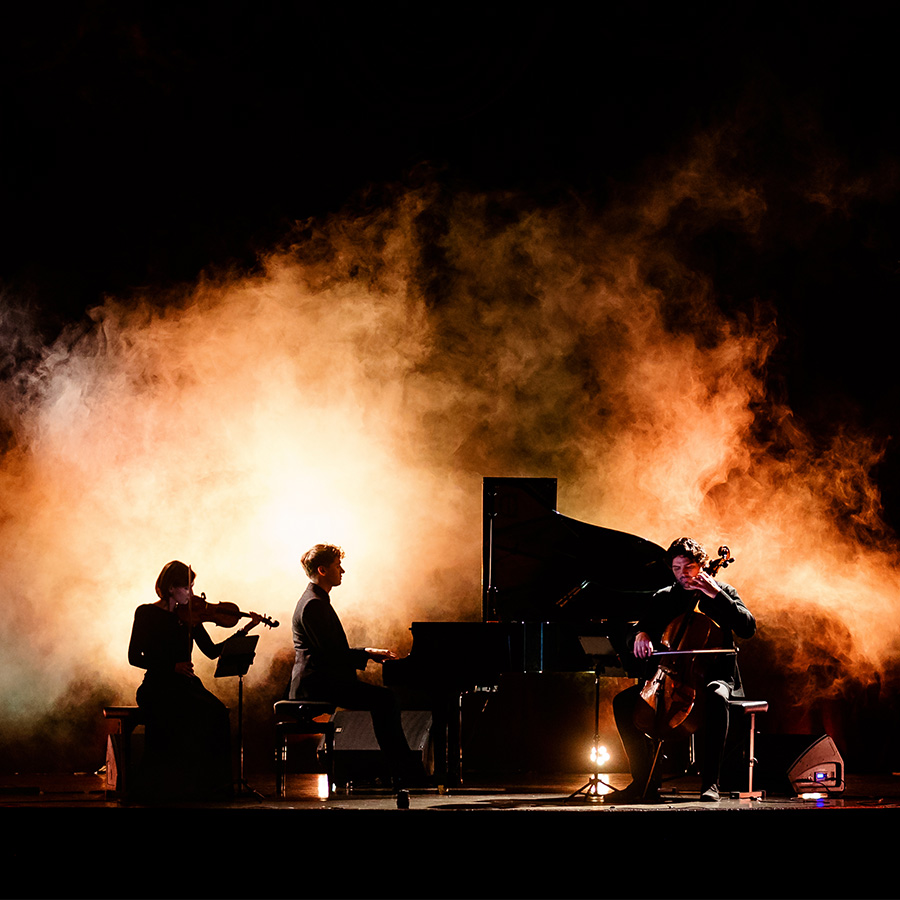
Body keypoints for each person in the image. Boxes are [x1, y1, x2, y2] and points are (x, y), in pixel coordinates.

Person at [610, 537, 756, 803]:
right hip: (669, 677)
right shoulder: (665, 597)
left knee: (715, 696)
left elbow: (748, 627)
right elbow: (639, 629)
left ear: (701, 564)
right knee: (623, 703)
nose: (683, 575)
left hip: (714, 675)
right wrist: (640, 634)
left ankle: (711, 782)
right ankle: (643, 780)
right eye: (676, 569)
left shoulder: (722, 592)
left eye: (688, 567)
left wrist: (717, 595)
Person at [290, 543, 414, 790]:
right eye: (338, 566)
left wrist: (367, 653)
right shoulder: (313, 604)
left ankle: (401, 770)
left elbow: (332, 651)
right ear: (323, 570)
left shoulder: (316, 600)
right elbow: (330, 654)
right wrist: (367, 653)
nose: (343, 570)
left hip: (325, 680)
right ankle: (403, 772)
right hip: (318, 685)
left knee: (384, 700)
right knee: (386, 700)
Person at [128, 560, 252, 801]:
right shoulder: (146, 613)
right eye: (187, 588)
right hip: (157, 685)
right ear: (172, 587)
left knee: (217, 712)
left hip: (186, 686)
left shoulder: (189, 617)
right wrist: (171, 666)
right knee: (187, 715)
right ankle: (172, 785)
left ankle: (208, 786)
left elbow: (212, 651)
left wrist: (244, 630)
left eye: (193, 587)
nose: (192, 594)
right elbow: (134, 657)